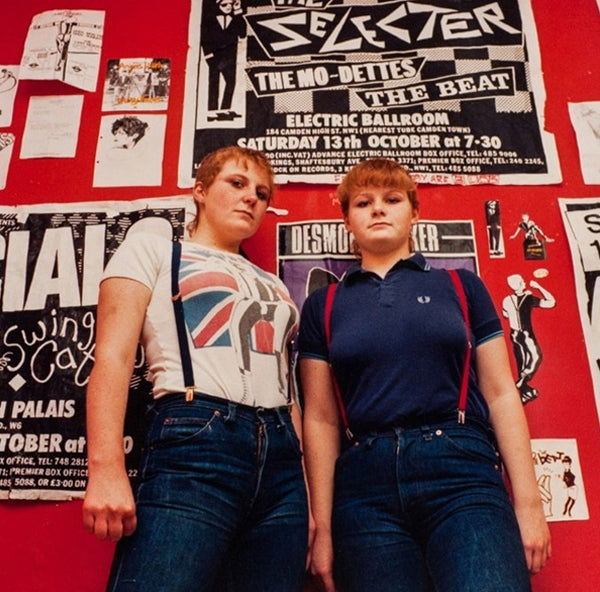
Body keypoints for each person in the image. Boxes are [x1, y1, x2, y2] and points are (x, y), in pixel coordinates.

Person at [298, 158, 551, 592]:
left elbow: (501, 394)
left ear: (414, 213)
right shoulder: (322, 305)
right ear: (347, 221)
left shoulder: (461, 285)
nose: (378, 209)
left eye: (392, 199)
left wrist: (528, 505)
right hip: (364, 488)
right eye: (364, 202)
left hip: (462, 473)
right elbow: (320, 419)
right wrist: (321, 528)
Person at [83, 146, 309, 592]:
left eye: (262, 193)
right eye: (237, 183)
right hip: (197, 439)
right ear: (200, 190)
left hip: (282, 458)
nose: (251, 198)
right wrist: (105, 469)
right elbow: (112, 357)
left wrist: (304, 489)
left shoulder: (275, 284)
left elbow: (289, 386)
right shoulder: (152, 251)